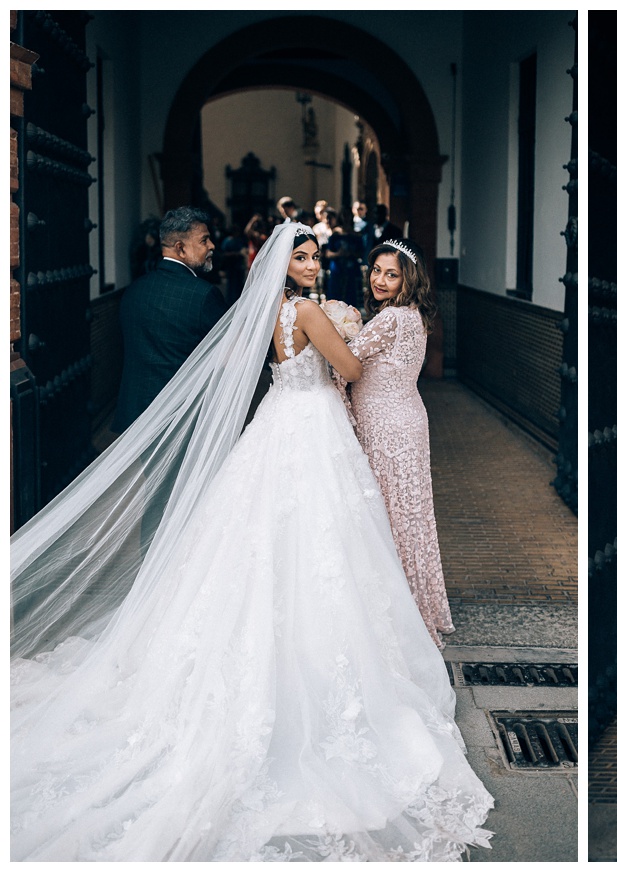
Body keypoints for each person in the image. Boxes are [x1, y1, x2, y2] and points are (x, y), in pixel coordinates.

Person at [11, 223, 494, 861]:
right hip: (315, 428)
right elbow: (348, 369)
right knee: (323, 541)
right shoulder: (313, 312)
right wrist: (346, 332)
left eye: (317, 255)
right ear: (283, 266)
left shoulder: (267, 309)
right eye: (303, 256)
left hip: (276, 425)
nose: (314, 263)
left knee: (256, 537)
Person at [346, 238, 453, 646]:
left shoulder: (390, 320)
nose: (380, 279)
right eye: (376, 270)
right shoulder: (413, 316)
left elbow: (348, 363)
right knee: (407, 519)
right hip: (407, 420)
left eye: (391, 274)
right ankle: (413, 611)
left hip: (386, 426)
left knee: (387, 519)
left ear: (408, 279)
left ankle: (397, 619)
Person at [113, 206, 227, 433]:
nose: (212, 246)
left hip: (137, 417)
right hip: (181, 419)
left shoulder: (133, 291)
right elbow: (226, 356)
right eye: (204, 240)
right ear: (180, 248)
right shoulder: (203, 295)